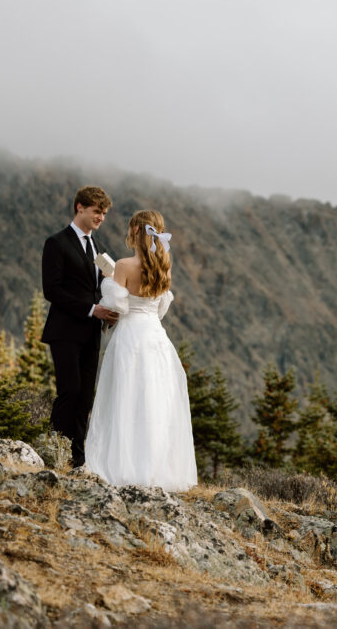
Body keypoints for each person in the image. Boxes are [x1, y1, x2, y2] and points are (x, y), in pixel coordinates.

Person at [84, 210, 197, 491]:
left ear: (135, 231)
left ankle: (124, 466)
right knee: (154, 402)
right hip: (155, 338)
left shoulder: (122, 265)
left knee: (124, 397)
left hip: (130, 337)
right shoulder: (164, 267)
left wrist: (108, 280)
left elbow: (118, 307)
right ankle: (155, 469)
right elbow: (160, 310)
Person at [42, 186, 119, 469]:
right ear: (80, 208)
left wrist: (108, 308)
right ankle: (54, 452)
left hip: (91, 333)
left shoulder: (96, 247)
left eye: (104, 213)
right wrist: (92, 309)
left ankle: (77, 459)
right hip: (64, 331)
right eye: (97, 211)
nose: (101, 217)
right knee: (69, 391)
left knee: (85, 396)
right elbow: (52, 290)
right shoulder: (56, 243)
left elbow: (96, 287)